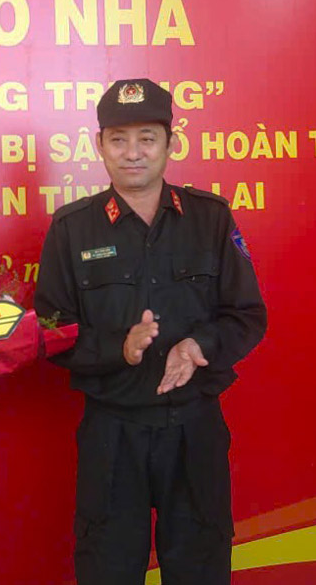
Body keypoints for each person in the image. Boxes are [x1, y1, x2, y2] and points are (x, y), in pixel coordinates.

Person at [34, 79, 267, 585]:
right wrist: (117, 348)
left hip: (195, 429)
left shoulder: (210, 218)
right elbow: (50, 331)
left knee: (201, 569)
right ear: (99, 145)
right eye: (118, 139)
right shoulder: (72, 228)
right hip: (112, 433)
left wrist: (197, 345)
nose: (132, 152)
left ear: (170, 142)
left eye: (147, 138)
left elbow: (247, 316)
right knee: (107, 569)